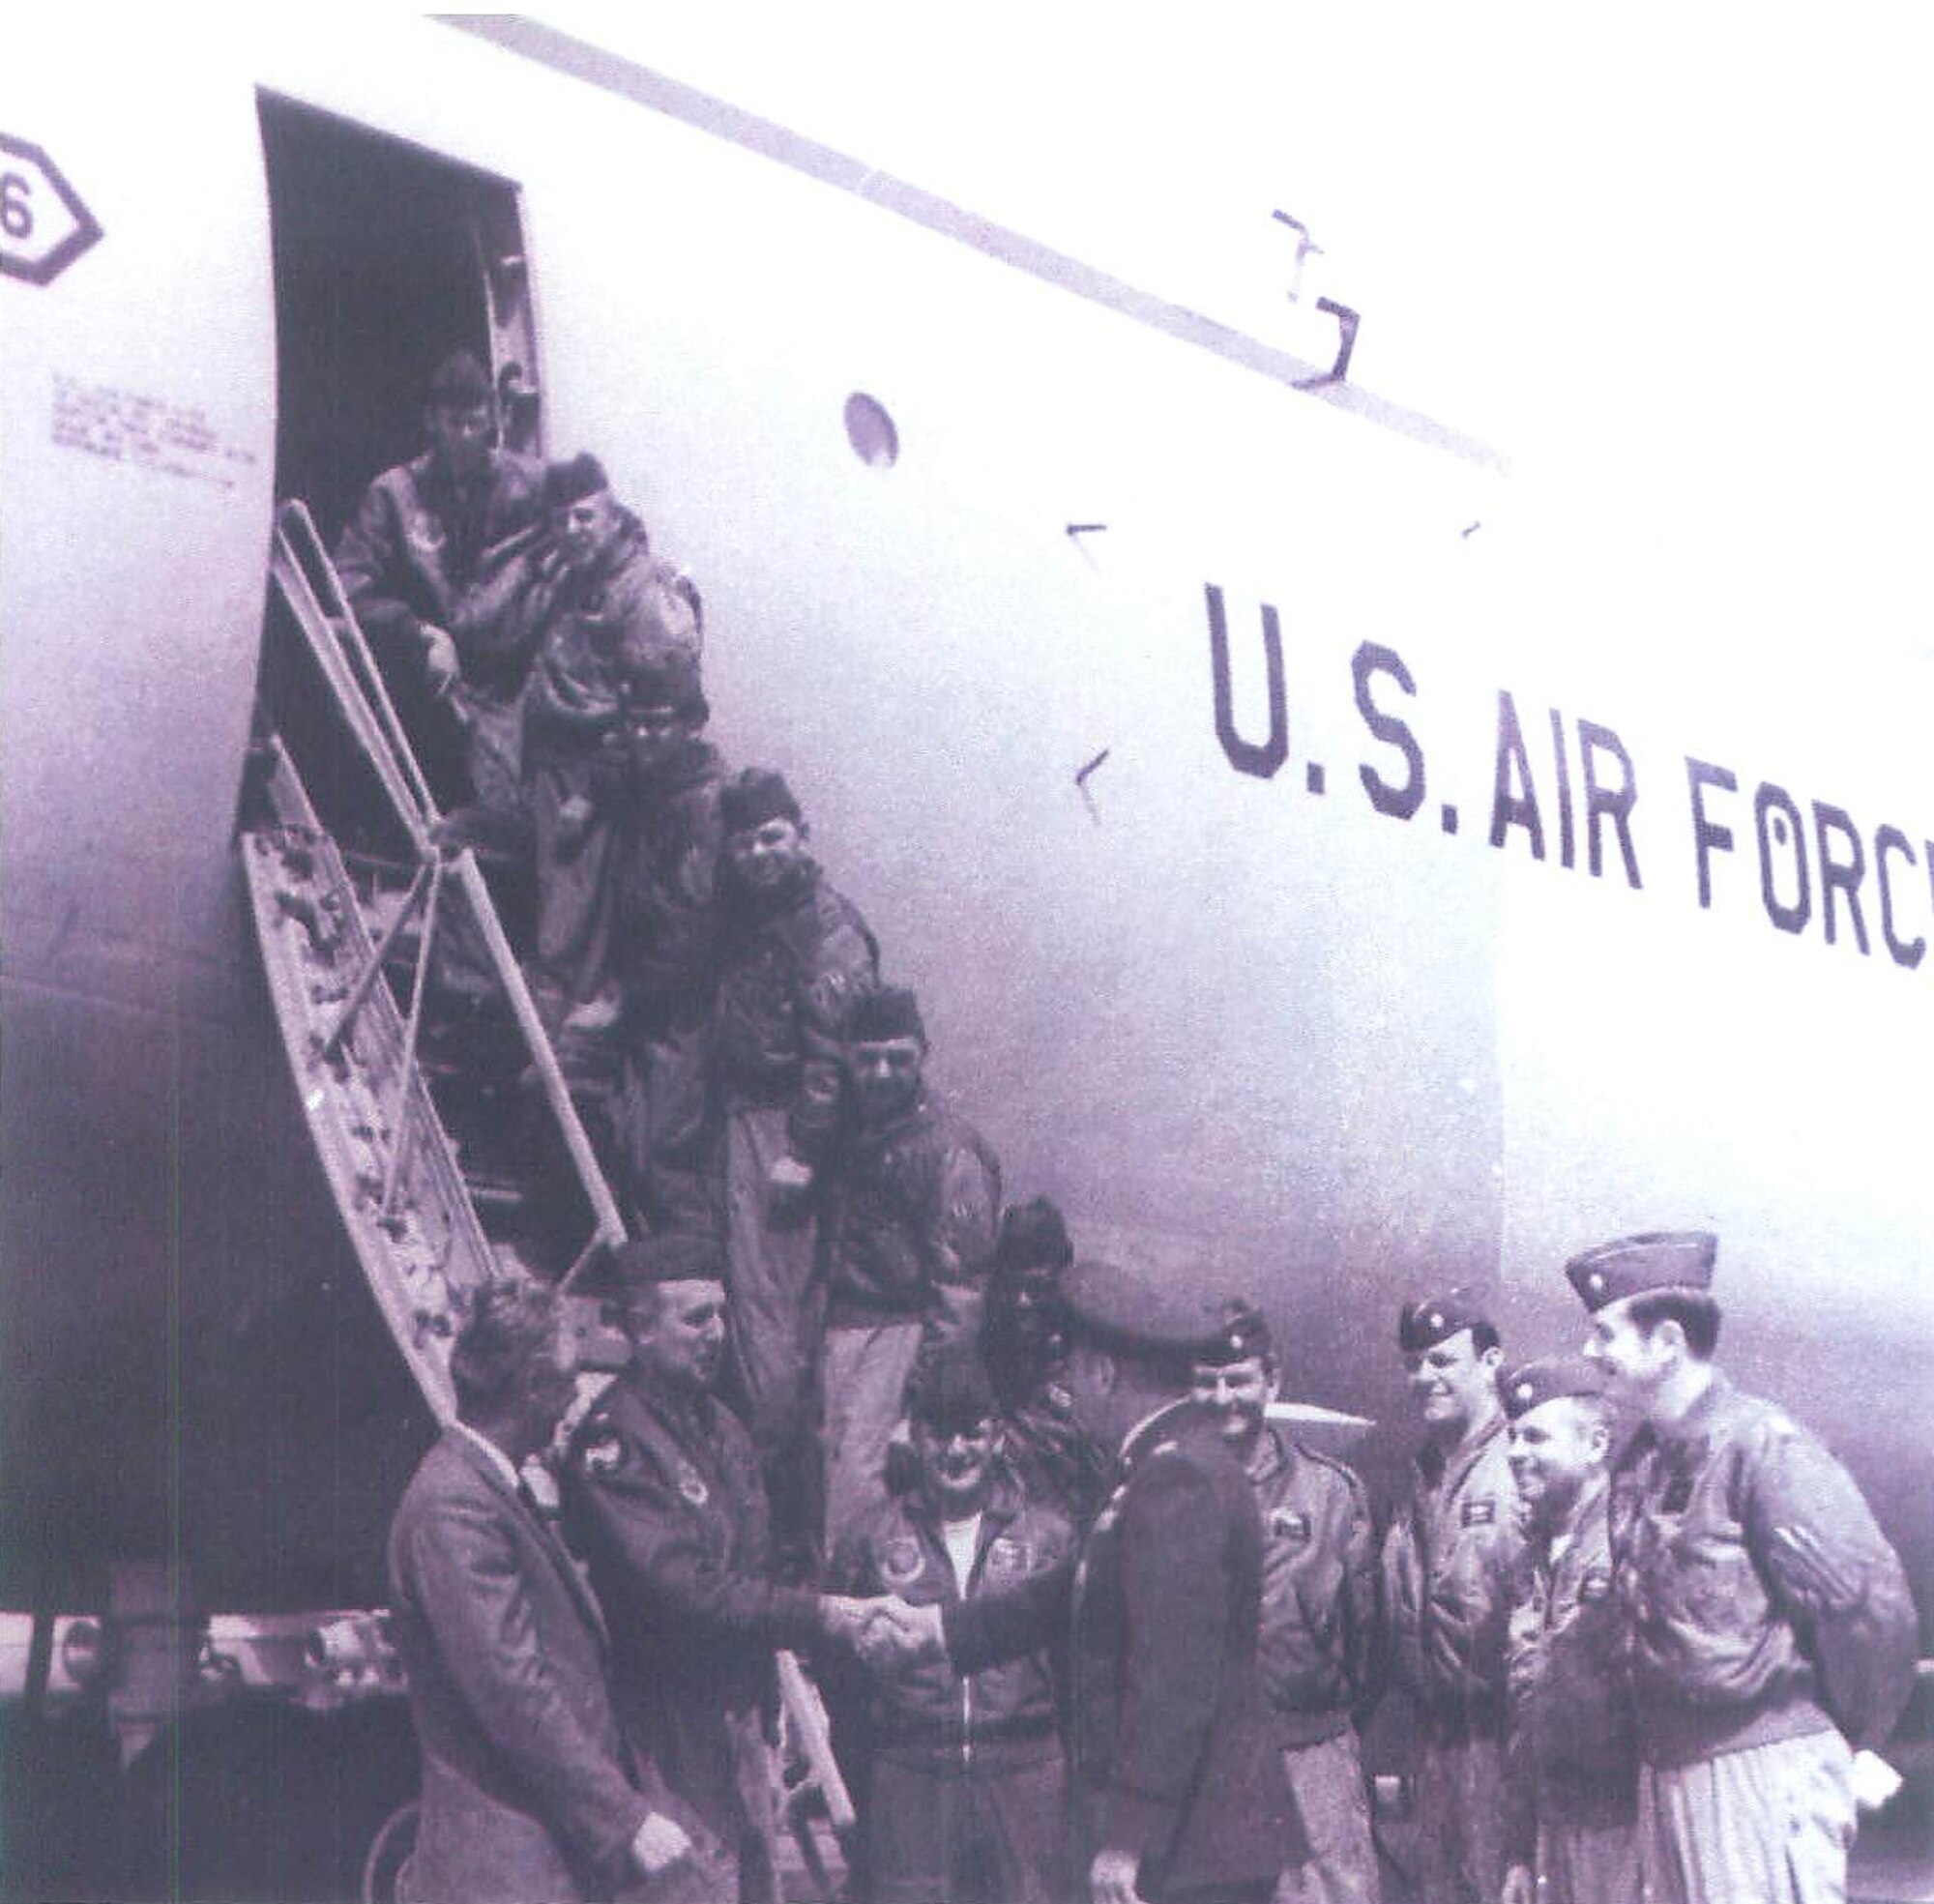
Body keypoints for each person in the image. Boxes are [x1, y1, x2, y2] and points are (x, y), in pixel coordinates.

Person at [864, 1257, 1304, 1904]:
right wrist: (937, 1628)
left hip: (1189, 1844)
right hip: (1194, 1834)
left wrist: (1129, 1834)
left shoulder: (1174, 1479)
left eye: (1069, 1372)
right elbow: (1069, 1588)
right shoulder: (1159, 1467)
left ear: (1105, 1372)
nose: (1065, 1393)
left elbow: (1174, 1674)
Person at [1568, 1231, 1918, 1904]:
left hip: (1759, 1773)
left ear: (1667, 1341)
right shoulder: (1641, 1463)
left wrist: (1842, 1740)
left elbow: (1872, 1613)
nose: (1591, 1353)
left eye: (1604, 1334)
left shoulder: (1764, 1448)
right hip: (1668, 1773)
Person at [560, 1234, 878, 1904]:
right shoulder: (613, 1443)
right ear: (641, 1328)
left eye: (723, 1314)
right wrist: (815, 1614)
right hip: (665, 1724)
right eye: (695, 1317)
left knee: (754, 1884)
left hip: (740, 1713)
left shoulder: (723, 1427)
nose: (718, 1333)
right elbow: (685, 1589)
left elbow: (755, 1561)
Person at [386, 1276, 702, 1903]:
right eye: (565, 1379)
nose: (574, 1398)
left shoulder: (492, 1488)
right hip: (510, 1871)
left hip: (547, 1857)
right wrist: (625, 1816)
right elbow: (513, 1692)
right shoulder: (455, 1507)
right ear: (529, 1388)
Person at [827, 1342, 1074, 1904]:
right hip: (912, 1778)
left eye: (973, 1433)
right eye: (940, 1433)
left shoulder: (1051, 1539)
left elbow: (1076, 1675)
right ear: (915, 1436)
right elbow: (842, 1680)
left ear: (999, 1437)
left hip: (1026, 1774)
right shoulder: (869, 1541)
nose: (957, 1451)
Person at [709, 767, 878, 1537]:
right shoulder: (750, 914)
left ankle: (771, 1516)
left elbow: (834, 1052)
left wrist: (804, 1151)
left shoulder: (827, 928)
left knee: (772, 1325)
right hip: (742, 1114)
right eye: (743, 841)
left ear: (801, 836)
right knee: (756, 1318)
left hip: (781, 1130)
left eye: (772, 837)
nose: (758, 853)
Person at [1193, 1303, 1381, 1904]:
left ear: (1272, 1382)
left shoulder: (1331, 1493)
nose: (1224, 1397)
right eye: (1207, 1380)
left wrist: (1314, 1719)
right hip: (1200, 1763)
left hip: (1311, 1756)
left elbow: (1369, 1644)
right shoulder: (1159, 1487)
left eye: (1239, 1379)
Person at [518, 453, 703, 1037]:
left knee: (567, 939)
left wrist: (594, 796)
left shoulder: (647, 596)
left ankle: (551, 1053)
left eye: (584, 518)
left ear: (611, 513)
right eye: (562, 521)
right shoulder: (583, 576)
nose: (572, 532)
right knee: (555, 916)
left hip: (593, 779)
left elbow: (656, 717)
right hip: (553, 768)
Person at [820, 983, 1002, 1550]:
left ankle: (857, 1614)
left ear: (923, 1054)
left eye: (898, 1058)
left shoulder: (949, 1149)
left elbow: (961, 1291)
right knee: (821, 1479)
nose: (881, 1073)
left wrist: (925, 1401)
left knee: (860, 1487)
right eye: (867, 1057)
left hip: (896, 1334)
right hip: (832, 1327)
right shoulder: (843, 1129)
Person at [335, 348, 547, 813]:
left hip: (510, 693)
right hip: (428, 691)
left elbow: (597, 523)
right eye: (454, 423)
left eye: (476, 422)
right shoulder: (393, 494)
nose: (466, 436)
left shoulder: (531, 486)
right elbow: (350, 585)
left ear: (492, 418)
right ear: (431, 421)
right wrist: (419, 633)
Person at [1377, 1284, 1522, 1904]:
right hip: (1435, 1744)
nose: (1424, 1377)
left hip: (1503, 1747)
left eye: (1442, 1361)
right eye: (1414, 1364)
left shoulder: (1523, 1464)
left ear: (1491, 1362)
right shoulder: (1424, 1479)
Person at [1497, 1354, 1638, 1904]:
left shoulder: (1630, 1539)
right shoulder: (1533, 1556)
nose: (1515, 1454)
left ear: (1596, 1444)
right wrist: (1518, 1850)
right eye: (1512, 1437)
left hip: (1622, 1828)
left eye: (1535, 1438)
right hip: (1553, 1828)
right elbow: (1527, 1715)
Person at [606, 650, 729, 1234]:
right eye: (637, 722)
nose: (644, 735)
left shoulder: (705, 806)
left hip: (683, 1011)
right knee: (635, 1135)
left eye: (659, 724)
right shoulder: (658, 784)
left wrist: (622, 1004)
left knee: (665, 1152)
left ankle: (688, 1294)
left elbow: (693, 932)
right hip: (654, 1000)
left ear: (692, 725)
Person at [981, 1197, 1112, 1527]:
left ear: (1062, 1279)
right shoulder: (984, 1336)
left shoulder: (1090, 1352)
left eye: (1037, 1288)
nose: (1022, 1302)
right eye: (1012, 1287)